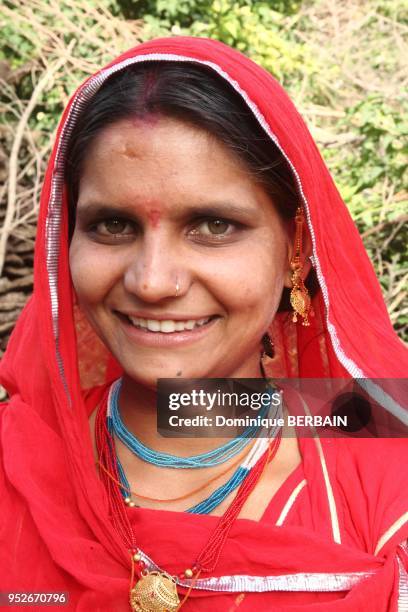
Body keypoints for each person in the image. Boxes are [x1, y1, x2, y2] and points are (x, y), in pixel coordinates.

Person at [0, 36, 407, 612]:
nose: (151, 281)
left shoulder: (386, 478)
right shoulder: (17, 467)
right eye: (112, 225)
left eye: (213, 225)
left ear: (297, 246)